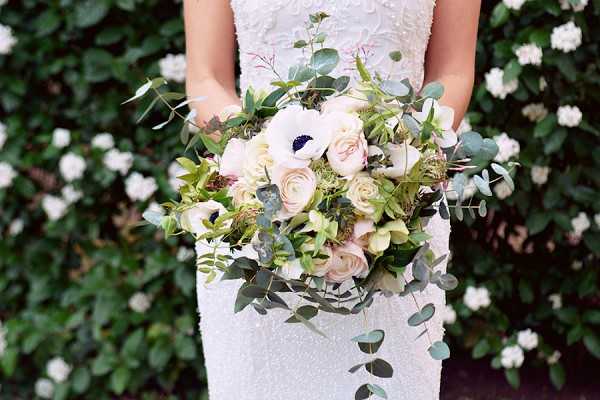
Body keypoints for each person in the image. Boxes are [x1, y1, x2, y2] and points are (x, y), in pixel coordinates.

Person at [184, 1, 480, 398]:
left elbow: (453, 71)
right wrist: (268, 164)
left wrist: (391, 162)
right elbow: (207, 78)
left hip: (396, 214)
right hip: (257, 217)